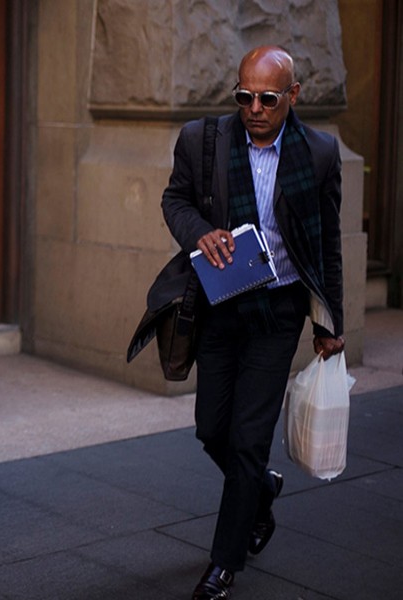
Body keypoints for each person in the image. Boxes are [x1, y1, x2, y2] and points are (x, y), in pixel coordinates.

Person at [160, 46, 345, 599]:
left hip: (279, 311)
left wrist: (330, 321)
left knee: (247, 441)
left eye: (267, 98)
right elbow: (175, 200)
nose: (254, 108)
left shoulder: (319, 154)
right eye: (245, 96)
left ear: (292, 96)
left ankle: (224, 563)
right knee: (211, 429)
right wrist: (199, 232)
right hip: (221, 306)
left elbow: (327, 243)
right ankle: (262, 491)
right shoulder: (203, 140)